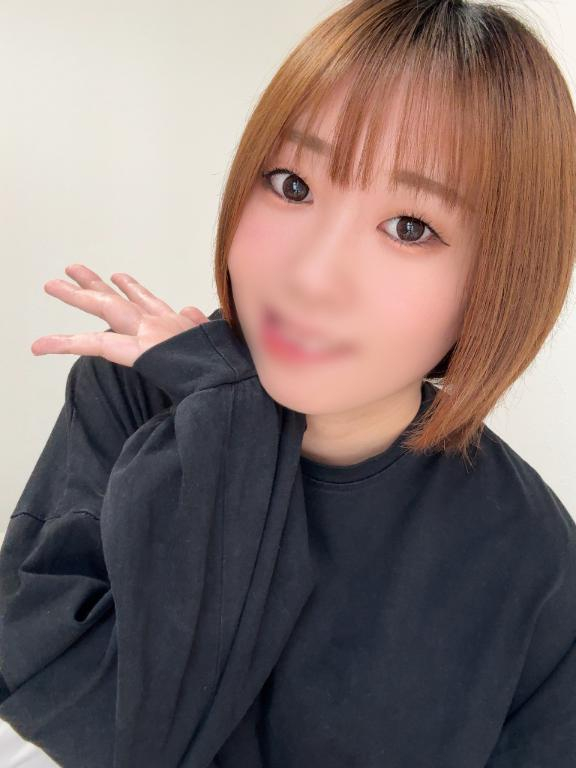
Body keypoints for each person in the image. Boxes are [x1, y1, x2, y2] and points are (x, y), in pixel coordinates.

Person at [1, 0, 575, 766]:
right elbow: (56, 684)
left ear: (501, 281)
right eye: (291, 184)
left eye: (410, 227)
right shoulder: (134, 396)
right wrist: (230, 414)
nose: (311, 276)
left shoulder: (530, 557)